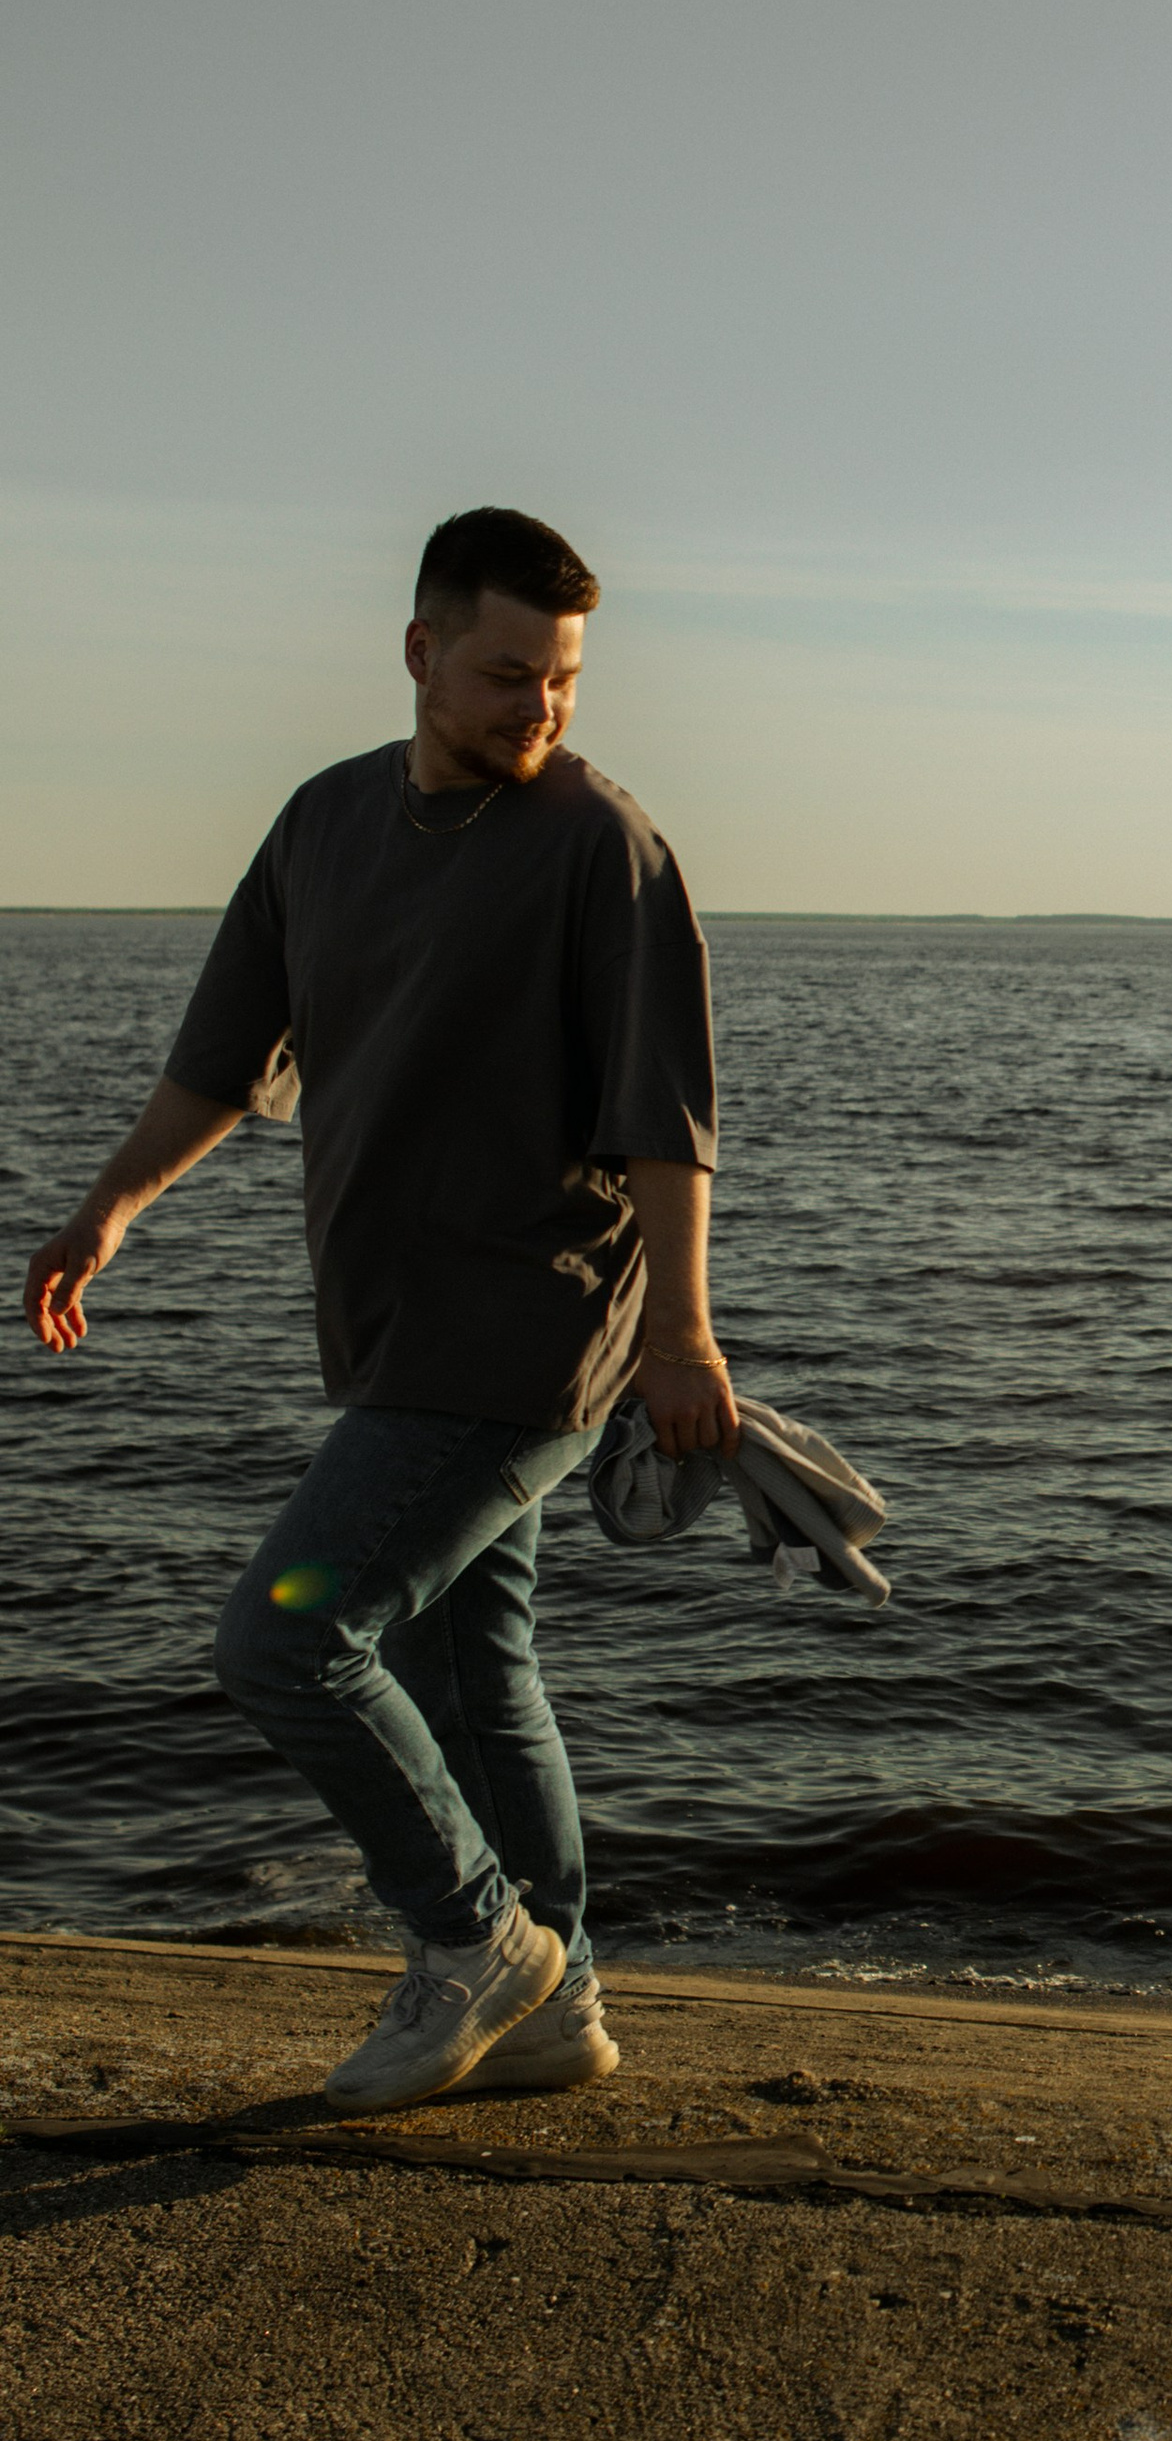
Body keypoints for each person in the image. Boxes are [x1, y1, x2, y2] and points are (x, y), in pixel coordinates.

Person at [19, 507, 735, 2111]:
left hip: (533, 1327)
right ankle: (557, 2001)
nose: (537, 711)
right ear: (420, 654)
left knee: (286, 1637)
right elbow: (223, 1055)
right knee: (482, 1670)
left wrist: (683, 1335)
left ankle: (475, 1942)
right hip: (391, 1322)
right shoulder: (323, 826)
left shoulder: (601, 849)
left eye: (559, 682)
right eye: (505, 677)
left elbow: (664, 1119)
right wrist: (106, 1211)